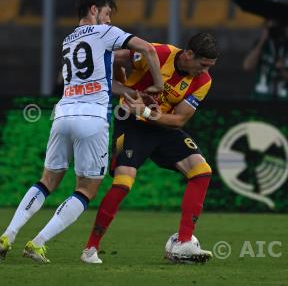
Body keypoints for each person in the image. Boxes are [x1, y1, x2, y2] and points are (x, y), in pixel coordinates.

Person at [0, 0, 163, 263]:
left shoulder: (69, 40)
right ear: (94, 10)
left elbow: (101, 82)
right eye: (107, 14)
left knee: (47, 180)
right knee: (86, 189)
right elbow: (147, 49)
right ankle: (37, 243)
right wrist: (158, 85)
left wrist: (131, 93)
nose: (109, 21)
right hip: (92, 117)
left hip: (62, 115)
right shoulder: (104, 33)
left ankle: (8, 234)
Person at [81, 32, 218, 264]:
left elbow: (179, 120)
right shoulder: (159, 53)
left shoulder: (203, 81)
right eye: (203, 65)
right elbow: (113, 58)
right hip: (131, 124)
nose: (205, 71)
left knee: (202, 171)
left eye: (210, 67)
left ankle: (184, 242)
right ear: (189, 54)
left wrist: (145, 112)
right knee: (124, 183)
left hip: (161, 126)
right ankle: (90, 248)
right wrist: (124, 88)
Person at [243, 19, 288, 101]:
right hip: (261, 99)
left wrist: (284, 73)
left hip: (287, 101)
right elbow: (247, 66)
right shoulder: (261, 45)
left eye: (276, 25)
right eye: (269, 25)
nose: (273, 29)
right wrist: (261, 41)